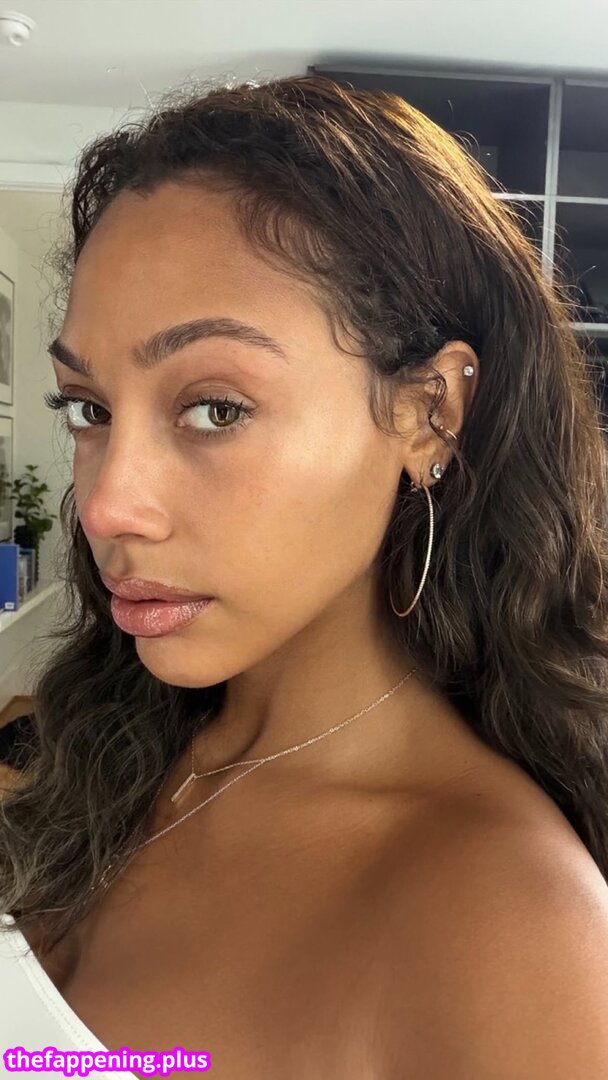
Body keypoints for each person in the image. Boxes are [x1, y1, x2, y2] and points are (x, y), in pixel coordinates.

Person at [0, 73, 607, 1079]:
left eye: (216, 409)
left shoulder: (517, 929)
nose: (106, 506)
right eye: (90, 410)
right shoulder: (119, 744)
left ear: (428, 414)